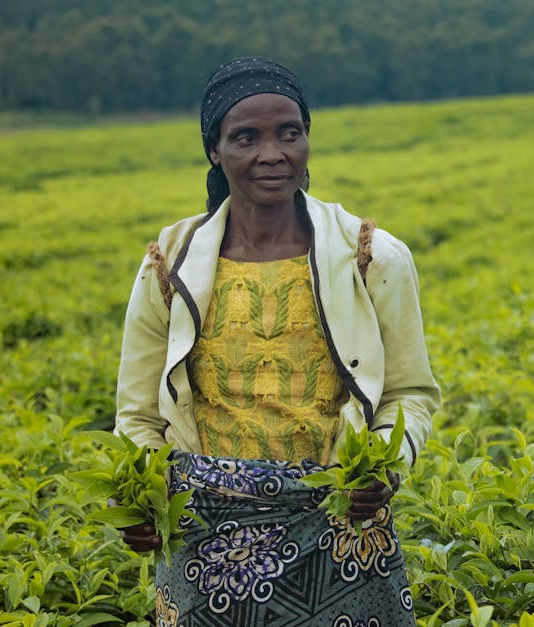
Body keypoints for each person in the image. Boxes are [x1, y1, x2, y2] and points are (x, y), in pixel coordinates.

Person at [113, 56, 441, 626]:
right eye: (246, 137)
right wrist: (141, 500)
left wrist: (383, 468)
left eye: (289, 133)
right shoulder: (170, 266)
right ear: (215, 150)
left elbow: (410, 392)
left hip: (340, 524)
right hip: (203, 535)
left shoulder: (372, 256)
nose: (273, 154)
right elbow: (138, 413)